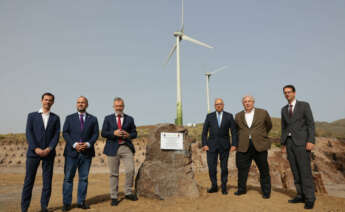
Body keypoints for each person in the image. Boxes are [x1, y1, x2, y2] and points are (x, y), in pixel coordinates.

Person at [21, 93, 60, 212]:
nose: (47, 102)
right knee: (29, 181)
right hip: (33, 153)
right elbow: (29, 133)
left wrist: (49, 148)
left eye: (50, 100)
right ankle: (24, 208)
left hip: (49, 153)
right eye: (46, 99)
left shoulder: (55, 118)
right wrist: (35, 148)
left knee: (47, 181)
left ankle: (44, 206)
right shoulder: (32, 116)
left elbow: (56, 135)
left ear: (53, 102)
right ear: (42, 100)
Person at [281, 85, 316, 209]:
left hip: (302, 143)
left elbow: (310, 124)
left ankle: (310, 198)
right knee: (295, 171)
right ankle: (300, 195)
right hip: (289, 143)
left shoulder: (304, 105)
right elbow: (284, 127)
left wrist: (311, 140)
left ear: (294, 93)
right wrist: (283, 143)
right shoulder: (284, 109)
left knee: (304, 171)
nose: (287, 94)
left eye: (289, 92)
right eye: (285, 92)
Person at [62, 96, 99, 211]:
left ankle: (81, 202)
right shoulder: (69, 118)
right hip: (71, 153)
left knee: (83, 178)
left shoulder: (93, 119)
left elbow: (95, 134)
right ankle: (67, 204)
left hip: (86, 153)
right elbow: (65, 133)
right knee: (68, 178)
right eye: (78, 102)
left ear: (87, 104)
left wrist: (88, 144)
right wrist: (74, 144)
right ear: (76, 104)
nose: (80, 104)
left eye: (83, 102)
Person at [101, 97, 138, 206]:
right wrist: (114, 133)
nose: (118, 108)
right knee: (114, 173)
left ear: (123, 106)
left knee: (131, 170)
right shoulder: (107, 118)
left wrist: (129, 135)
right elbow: (103, 133)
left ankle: (128, 192)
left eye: (120, 106)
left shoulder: (130, 119)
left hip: (126, 147)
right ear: (113, 107)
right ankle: (113, 196)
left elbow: (135, 133)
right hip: (112, 148)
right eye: (116, 106)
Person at [234, 96, 272, 198]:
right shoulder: (238, 116)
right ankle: (241, 189)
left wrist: (260, 135)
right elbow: (236, 130)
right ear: (243, 103)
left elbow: (269, 125)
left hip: (259, 145)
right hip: (243, 146)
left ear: (253, 102)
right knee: (242, 170)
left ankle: (266, 192)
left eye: (249, 101)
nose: (247, 103)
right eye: (245, 102)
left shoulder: (263, 112)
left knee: (264, 169)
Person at [201, 98, 238, 195]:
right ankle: (214, 186)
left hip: (225, 146)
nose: (218, 105)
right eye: (217, 104)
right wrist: (204, 144)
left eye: (220, 104)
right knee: (212, 168)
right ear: (214, 105)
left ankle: (224, 187)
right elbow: (204, 132)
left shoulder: (229, 116)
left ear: (223, 105)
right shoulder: (209, 116)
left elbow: (234, 132)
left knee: (224, 167)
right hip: (211, 146)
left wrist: (234, 144)